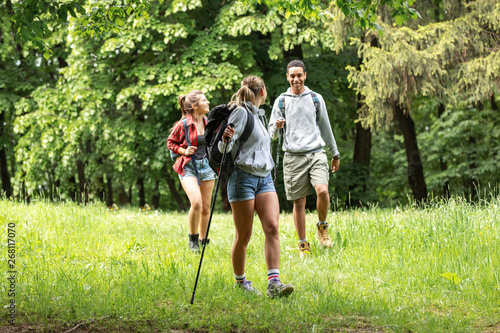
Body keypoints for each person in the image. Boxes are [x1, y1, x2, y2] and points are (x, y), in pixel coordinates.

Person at [221, 76, 294, 298]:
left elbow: (259, 144)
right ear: (263, 92)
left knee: (272, 227)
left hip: (264, 178)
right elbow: (224, 148)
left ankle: (274, 284)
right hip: (243, 178)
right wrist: (225, 140)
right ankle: (241, 282)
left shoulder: (258, 115)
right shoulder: (241, 112)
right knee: (244, 234)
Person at [269, 60, 340, 256]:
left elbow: (326, 127)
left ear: (305, 76)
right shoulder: (281, 101)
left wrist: (335, 153)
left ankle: (322, 227)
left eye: (299, 75)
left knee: (323, 191)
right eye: (292, 76)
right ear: (287, 77)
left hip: (316, 153)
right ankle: (303, 244)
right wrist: (277, 126)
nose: (296, 79)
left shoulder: (316, 98)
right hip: (292, 157)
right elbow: (270, 135)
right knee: (298, 202)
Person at [167, 90, 217, 253]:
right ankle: (193, 239)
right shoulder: (183, 125)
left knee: (206, 207)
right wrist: (183, 151)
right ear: (194, 106)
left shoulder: (209, 123)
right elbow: (171, 143)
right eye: (204, 100)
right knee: (196, 202)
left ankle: (204, 241)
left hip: (207, 167)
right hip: (188, 166)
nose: (208, 102)